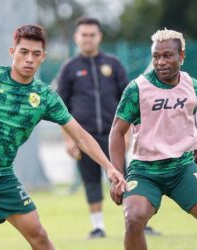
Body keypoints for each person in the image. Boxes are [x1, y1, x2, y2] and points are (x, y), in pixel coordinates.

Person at [0, 24, 126, 250]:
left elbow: (80, 135)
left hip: (1, 175)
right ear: (13, 52)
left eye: (36, 54)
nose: (29, 59)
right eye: (24, 52)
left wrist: (109, 167)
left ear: (43, 57)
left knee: (38, 233)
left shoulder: (45, 96)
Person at [109, 28, 197, 250]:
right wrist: (117, 176)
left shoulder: (194, 88)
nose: (160, 62)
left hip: (182, 168)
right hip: (145, 171)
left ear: (181, 56)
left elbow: (188, 120)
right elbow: (116, 132)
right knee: (133, 220)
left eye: (167, 56)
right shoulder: (137, 89)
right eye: (156, 56)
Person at [56, 17, 159, 238]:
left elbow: (131, 100)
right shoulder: (69, 68)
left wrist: (129, 133)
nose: (88, 39)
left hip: (114, 135)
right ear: (76, 37)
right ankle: (98, 227)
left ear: (99, 36)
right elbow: (59, 108)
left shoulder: (113, 64)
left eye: (92, 34)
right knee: (90, 180)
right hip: (84, 137)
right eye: (84, 35)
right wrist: (68, 140)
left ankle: (138, 222)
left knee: (126, 178)